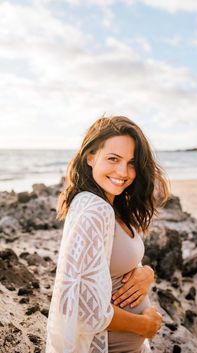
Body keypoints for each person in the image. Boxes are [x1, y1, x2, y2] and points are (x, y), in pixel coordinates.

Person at [45, 116, 169, 353]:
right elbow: (82, 309)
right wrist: (144, 325)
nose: (123, 172)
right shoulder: (95, 209)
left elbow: (113, 263)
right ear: (90, 156)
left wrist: (146, 273)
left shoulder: (112, 205)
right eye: (113, 159)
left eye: (132, 163)